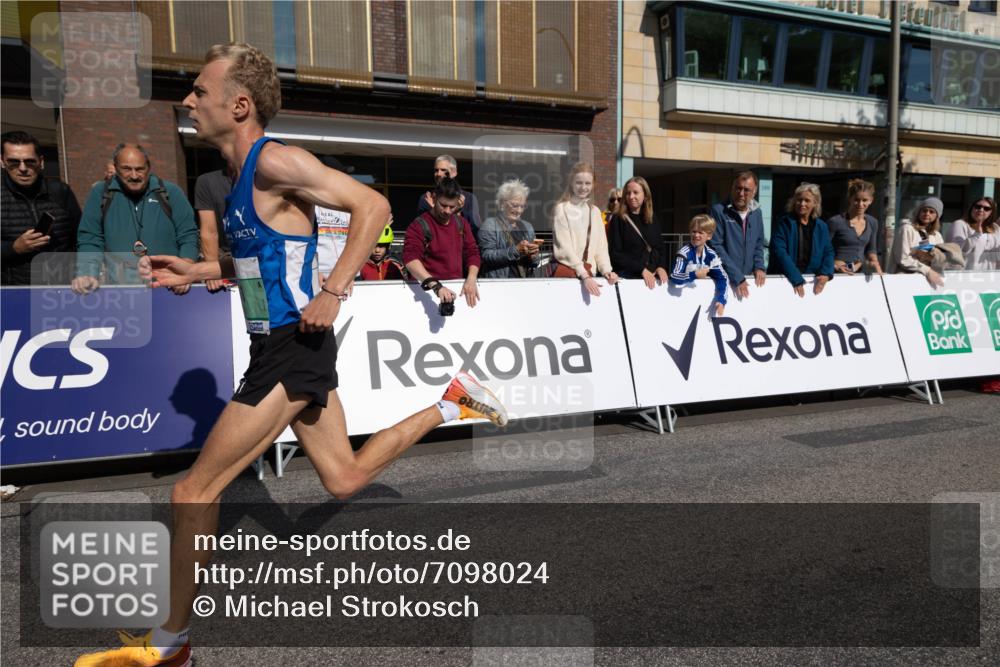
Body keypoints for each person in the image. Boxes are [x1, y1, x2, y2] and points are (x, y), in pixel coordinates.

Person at [75, 42, 508, 667]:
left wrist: (334, 292)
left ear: (239, 104)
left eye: (199, 91)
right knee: (344, 478)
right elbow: (261, 258)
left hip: (290, 347)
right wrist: (196, 270)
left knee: (193, 493)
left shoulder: (275, 161)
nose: (188, 99)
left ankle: (171, 647)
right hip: (286, 346)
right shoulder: (236, 178)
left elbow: (374, 206)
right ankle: (450, 402)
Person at [72, 143, 199, 294]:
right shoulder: (100, 193)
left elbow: (188, 235)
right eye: (126, 169)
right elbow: (90, 239)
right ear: (116, 168)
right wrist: (87, 273)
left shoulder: (171, 192)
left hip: (169, 288)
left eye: (140, 169)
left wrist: (185, 270)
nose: (134, 175)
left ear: (149, 167)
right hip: (121, 292)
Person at [1, 130, 81, 285]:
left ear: (41, 162)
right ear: (2, 162)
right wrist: (13, 248)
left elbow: (82, 238)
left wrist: (82, 272)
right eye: (14, 162)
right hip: (15, 294)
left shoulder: (60, 192)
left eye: (30, 161)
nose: (23, 168)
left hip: (63, 290)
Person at [403, 176, 483, 309]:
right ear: (434, 199)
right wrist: (436, 286)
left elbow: (473, 252)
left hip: (457, 291)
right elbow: (411, 260)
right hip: (427, 293)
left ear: (458, 203)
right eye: (443, 205)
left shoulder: (461, 223)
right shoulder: (418, 225)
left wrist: (471, 278)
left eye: (452, 207)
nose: (447, 211)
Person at [551, 162, 619, 296]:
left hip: (591, 276)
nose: (583, 187)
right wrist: (583, 274)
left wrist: (606, 270)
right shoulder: (562, 209)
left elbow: (601, 248)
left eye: (587, 183)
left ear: (593, 184)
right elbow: (564, 249)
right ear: (571, 183)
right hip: (570, 276)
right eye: (579, 183)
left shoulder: (595, 212)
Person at [768, 182, 834, 298]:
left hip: (812, 283)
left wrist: (826, 273)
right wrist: (796, 278)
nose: (802, 204)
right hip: (785, 281)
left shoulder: (821, 226)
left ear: (815, 203)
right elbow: (780, 252)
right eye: (799, 200)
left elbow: (828, 252)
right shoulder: (784, 223)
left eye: (807, 201)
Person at [708, 170, 766, 298]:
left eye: (746, 190)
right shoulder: (718, 211)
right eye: (738, 188)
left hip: (748, 280)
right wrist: (737, 276)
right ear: (732, 187)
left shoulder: (757, 213)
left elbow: (758, 244)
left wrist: (759, 266)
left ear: (754, 192)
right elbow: (715, 246)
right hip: (722, 280)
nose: (741, 193)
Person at [607, 176, 668, 289]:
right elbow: (616, 254)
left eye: (636, 192)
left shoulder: (652, 217)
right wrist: (641, 270)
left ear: (645, 195)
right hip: (629, 279)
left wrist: (661, 267)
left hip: (653, 277)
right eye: (628, 193)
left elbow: (660, 248)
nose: (631, 197)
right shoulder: (618, 218)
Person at [477, 178, 541, 278]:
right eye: (515, 205)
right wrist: (516, 250)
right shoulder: (490, 225)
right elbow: (486, 256)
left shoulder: (527, 227)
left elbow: (535, 263)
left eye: (522, 206)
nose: (519, 211)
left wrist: (533, 256)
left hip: (526, 284)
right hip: (501, 285)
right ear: (502, 204)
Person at [669, 214, 728, 316]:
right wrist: (694, 275)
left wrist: (721, 299)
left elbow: (723, 278)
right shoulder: (684, 253)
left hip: (701, 308)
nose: (696, 235)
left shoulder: (711, 255)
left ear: (709, 236)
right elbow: (674, 276)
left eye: (700, 232)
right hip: (680, 306)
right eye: (694, 231)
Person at [824, 178, 884, 276]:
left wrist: (874, 262)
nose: (860, 204)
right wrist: (834, 265)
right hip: (835, 274)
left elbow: (871, 249)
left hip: (859, 273)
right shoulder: (835, 221)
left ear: (871, 200)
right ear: (850, 199)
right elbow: (823, 249)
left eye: (865, 200)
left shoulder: (873, 222)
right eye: (856, 200)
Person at [887, 196, 946, 287]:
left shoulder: (936, 235)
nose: (927, 214)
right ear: (919, 212)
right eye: (924, 210)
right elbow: (903, 259)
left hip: (927, 281)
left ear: (937, 216)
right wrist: (927, 269)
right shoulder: (907, 229)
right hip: (904, 280)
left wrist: (920, 253)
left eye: (931, 212)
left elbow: (940, 258)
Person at [416, 154, 481, 235]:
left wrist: (458, 213)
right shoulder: (427, 198)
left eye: (443, 170)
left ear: (454, 172)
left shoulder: (469, 198)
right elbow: (420, 228)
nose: (438, 174)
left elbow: (475, 229)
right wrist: (434, 211)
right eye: (436, 170)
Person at [194, 165, 235, 291]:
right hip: (223, 257)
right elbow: (209, 232)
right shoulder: (207, 182)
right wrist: (211, 269)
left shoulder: (266, 179)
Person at [945, 197, 1000, 271]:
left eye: (986, 208)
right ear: (972, 208)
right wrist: (976, 235)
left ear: (991, 212)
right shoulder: (960, 224)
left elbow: (997, 254)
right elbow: (957, 251)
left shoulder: (995, 228)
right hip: (964, 275)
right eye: (978, 206)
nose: (981, 210)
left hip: (988, 275)